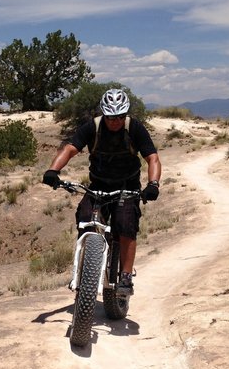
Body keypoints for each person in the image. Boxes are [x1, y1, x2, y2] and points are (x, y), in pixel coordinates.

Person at [42, 88, 161, 295]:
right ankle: (88, 264)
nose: (114, 121)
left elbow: (152, 158)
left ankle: (125, 276)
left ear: (125, 114)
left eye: (119, 116)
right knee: (85, 217)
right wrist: (53, 170)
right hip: (98, 185)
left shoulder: (134, 128)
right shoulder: (93, 127)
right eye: (110, 117)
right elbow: (70, 148)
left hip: (127, 186)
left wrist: (153, 184)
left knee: (126, 224)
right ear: (103, 114)